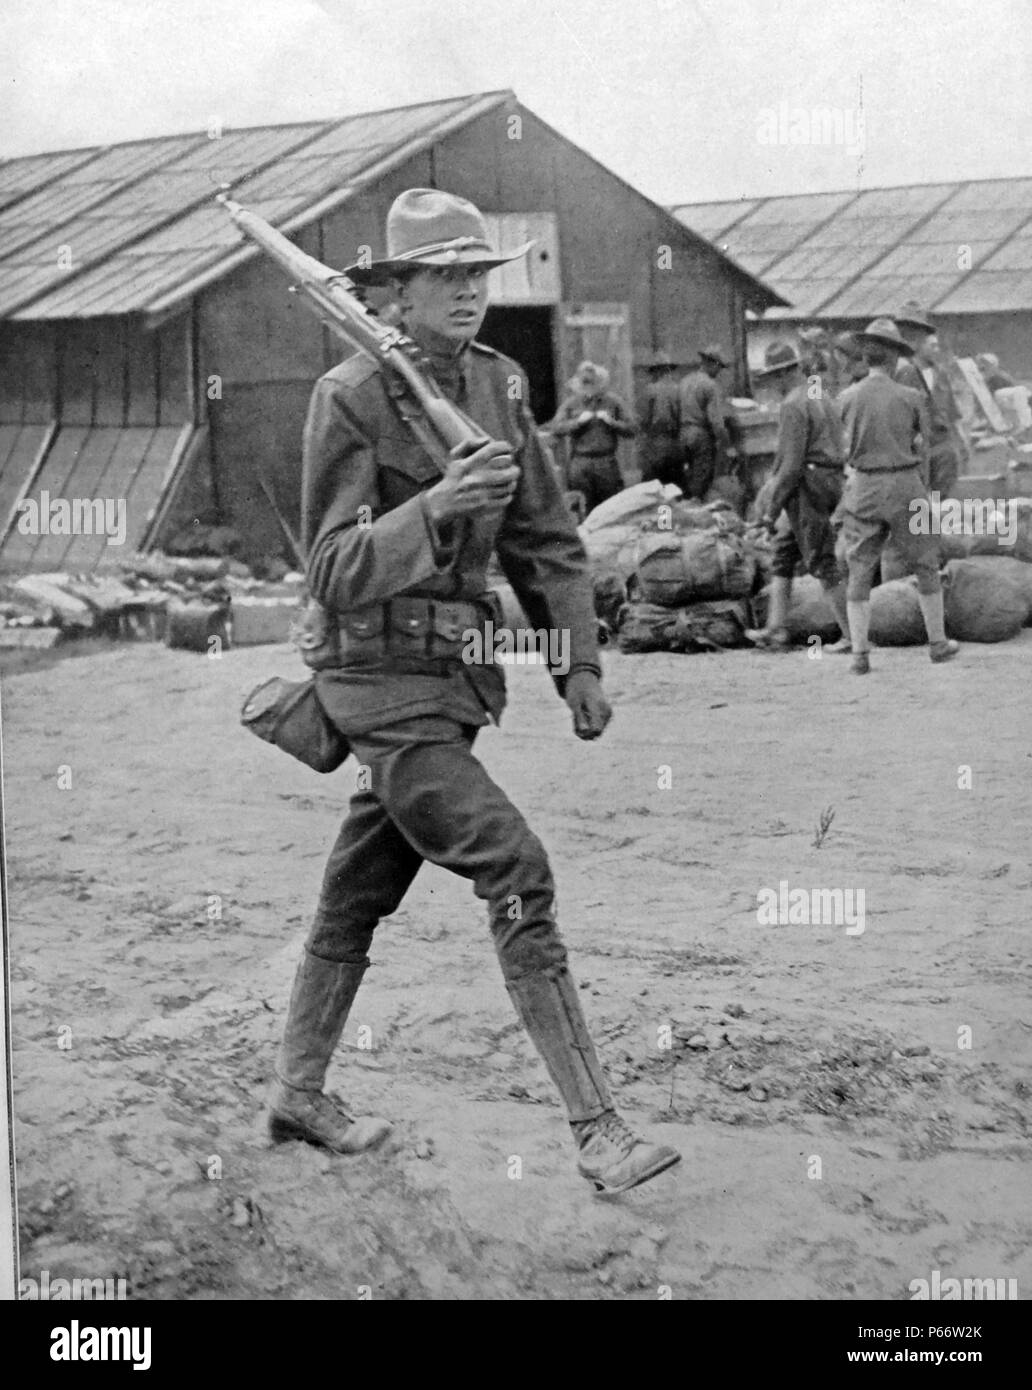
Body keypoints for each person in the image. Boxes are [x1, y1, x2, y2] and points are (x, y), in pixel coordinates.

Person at [268, 187, 680, 1196]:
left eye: (475, 275)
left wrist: (577, 663)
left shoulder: (496, 388)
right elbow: (328, 567)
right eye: (443, 277)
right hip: (375, 684)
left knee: (358, 890)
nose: (466, 293)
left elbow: (548, 538)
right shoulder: (351, 394)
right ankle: (599, 1131)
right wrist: (437, 506)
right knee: (517, 869)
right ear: (393, 294)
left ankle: (296, 1089)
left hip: (449, 686)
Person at [836, 318, 959, 675]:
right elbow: (923, 449)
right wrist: (923, 491)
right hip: (906, 484)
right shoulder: (912, 397)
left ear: (865, 356)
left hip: (864, 487)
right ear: (893, 359)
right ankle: (937, 643)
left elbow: (841, 451)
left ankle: (860, 654)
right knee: (925, 564)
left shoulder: (845, 398)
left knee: (859, 568)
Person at [745, 341, 851, 652]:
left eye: (774, 377)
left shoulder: (793, 404)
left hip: (808, 485)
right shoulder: (819, 393)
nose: (772, 385)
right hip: (830, 478)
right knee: (784, 553)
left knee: (822, 561)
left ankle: (853, 636)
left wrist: (770, 509)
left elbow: (790, 467)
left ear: (782, 375)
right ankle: (776, 629)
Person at [894, 302, 965, 500]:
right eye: (906, 331)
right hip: (916, 449)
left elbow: (951, 413)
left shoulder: (940, 374)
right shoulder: (901, 370)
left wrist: (960, 442)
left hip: (941, 445)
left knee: (939, 500)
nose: (911, 336)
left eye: (917, 331)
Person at [548, 362, 635, 515]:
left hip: (606, 463)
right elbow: (555, 428)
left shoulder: (613, 402)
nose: (588, 386)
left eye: (592, 382)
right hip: (581, 464)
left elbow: (632, 429)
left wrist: (612, 422)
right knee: (582, 509)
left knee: (610, 509)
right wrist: (577, 422)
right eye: (584, 382)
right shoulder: (571, 403)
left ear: (600, 383)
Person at [678, 344, 733, 500]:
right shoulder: (710, 385)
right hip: (700, 436)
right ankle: (697, 510)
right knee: (701, 480)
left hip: (682, 434)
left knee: (686, 478)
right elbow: (716, 421)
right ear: (713, 364)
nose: (719, 372)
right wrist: (726, 444)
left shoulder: (684, 381)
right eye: (719, 367)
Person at [639, 349, 684, 487]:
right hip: (676, 444)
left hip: (655, 444)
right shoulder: (679, 389)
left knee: (653, 488)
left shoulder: (650, 390)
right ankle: (669, 509)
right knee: (674, 486)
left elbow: (644, 419)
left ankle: (661, 510)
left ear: (657, 371)